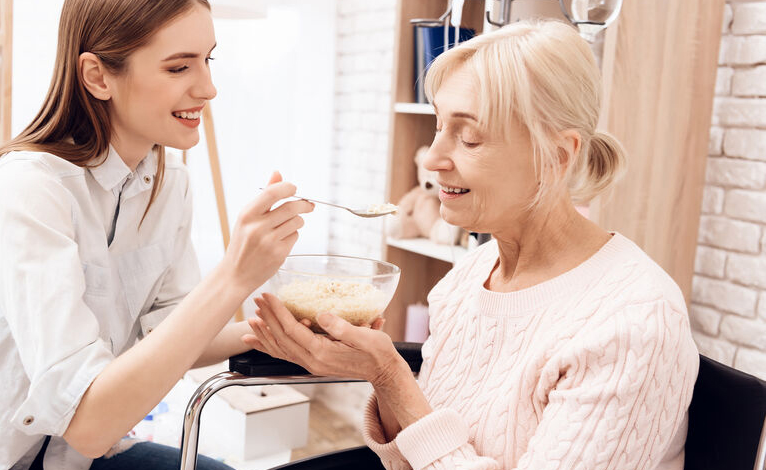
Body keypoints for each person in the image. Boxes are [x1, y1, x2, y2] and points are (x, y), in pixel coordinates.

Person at [244, 20, 700, 470]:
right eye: (439, 126)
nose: (435, 160)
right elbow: (408, 459)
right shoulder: (471, 275)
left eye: (469, 137)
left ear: (557, 157)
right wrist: (381, 377)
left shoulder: (634, 326)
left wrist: (391, 375)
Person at [0, 0, 314, 469]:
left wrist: (273, 332)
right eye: (178, 67)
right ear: (98, 76)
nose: (208, 88)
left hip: (66, 454)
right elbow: (86, 421)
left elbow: (168, 331)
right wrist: (234, 275)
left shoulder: (168, 186)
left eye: (207, 60)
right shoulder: (24, 189)